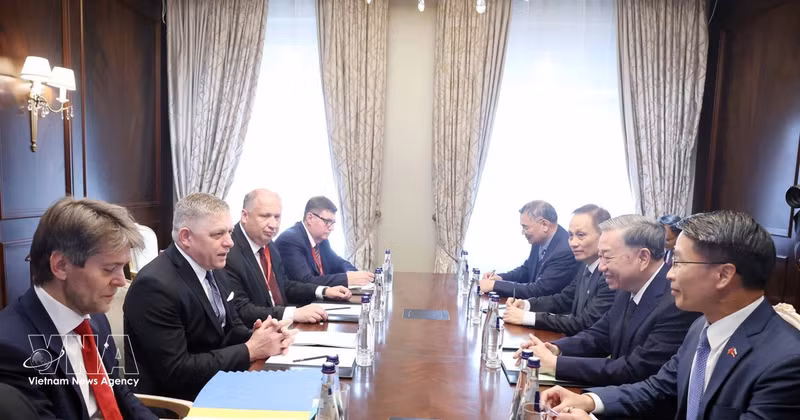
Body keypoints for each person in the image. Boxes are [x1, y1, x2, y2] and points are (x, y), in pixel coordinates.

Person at [541, 210, 800, 420]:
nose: (669, 273)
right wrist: (587, 400)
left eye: (678, 262)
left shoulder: (787, 363)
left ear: (723, 275)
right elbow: (657, 389)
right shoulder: (701, 327)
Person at [124, 193, 294, 401]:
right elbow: (176, 371)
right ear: (186, 237)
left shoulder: (214, 266)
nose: (230, 243)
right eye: (217, 235)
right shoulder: (154, 286)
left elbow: (230, 329)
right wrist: (249, 349)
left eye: (230, 232)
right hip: (180, 402)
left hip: (220, 382)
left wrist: (259, 334)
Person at [0, 197, 156, 419]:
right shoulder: (10, 349)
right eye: (109, 268)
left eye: (123, 267)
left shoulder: (94, 318)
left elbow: (121, 395)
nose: (121, 281)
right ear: (61, 266)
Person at [514, 215, 699, 387]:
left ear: (643, 258)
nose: (601, 267)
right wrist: (555, 348)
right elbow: (599, 335)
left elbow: (635, 370)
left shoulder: (675, 303)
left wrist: (556, 364)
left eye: (607, 257)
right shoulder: (626, 286)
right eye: (600, 256)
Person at [226, 189, 352, 325]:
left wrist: (324, 291)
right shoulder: (228, 250)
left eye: (277, 217)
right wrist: (292, 313)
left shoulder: (269, 245)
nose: (273, 224)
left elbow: (284, 285)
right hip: (254, 333)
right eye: (265, 216)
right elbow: (242, 309)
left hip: (282, 326)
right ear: (245, 216)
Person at [503, 204, 617, 336]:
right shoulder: (585, 265)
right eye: (570, 235)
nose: (573, 243)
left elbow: (584, 323)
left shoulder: (609, 276)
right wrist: (526, 304)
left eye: (581, 235)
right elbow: (563, 299)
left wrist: (526, 318)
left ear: (603, 236)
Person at [480, 200, 579, 299]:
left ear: (544, 225)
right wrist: (500, 278)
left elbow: (540, 290)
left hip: (550, 311)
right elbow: (526, 270)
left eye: (525, 227)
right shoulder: (539, 240)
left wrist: (495, 286)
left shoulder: (565, 250)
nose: (523, 232)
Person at [275, 196, 373, 287]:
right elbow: (304, 281)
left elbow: (338, 262)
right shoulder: (291, 240)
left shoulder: (321, 240)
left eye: (333, 223)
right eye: (327, 222)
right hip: (300, 303)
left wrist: (354, 274)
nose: (332, 228)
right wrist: (346, 279)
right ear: (310, 218)